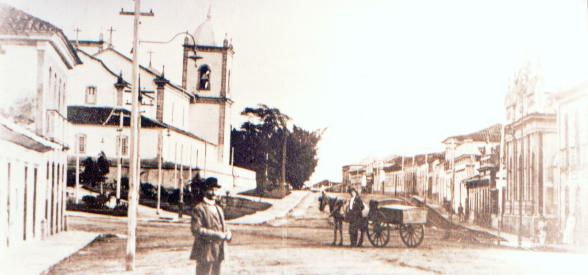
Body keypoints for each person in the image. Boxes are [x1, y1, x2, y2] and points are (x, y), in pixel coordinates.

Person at [190, 177, 232, 275]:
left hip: (219, 250)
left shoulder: (218, 208)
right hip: (205, 251)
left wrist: (228, 233)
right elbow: (196, 230)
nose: (214, 193)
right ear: (204, 191)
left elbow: (223, 226)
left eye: (216, 190)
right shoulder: (199, 208)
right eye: (211, 190)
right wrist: (217, 235)